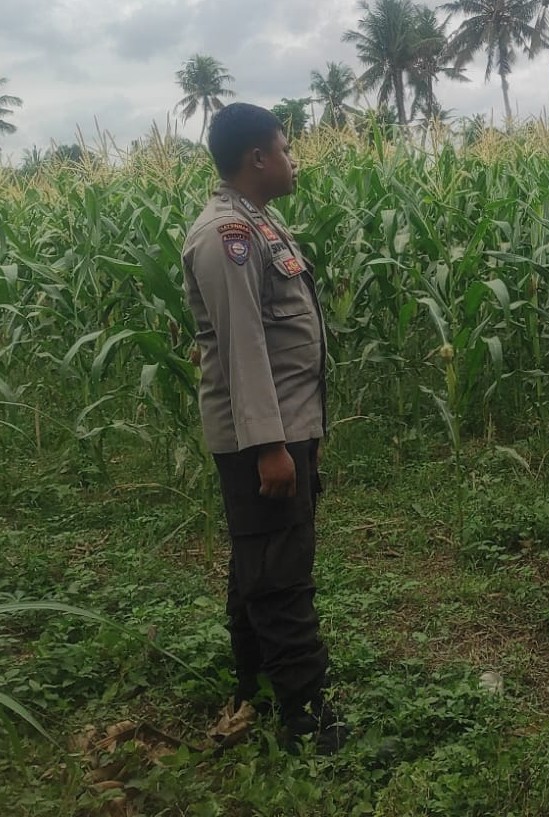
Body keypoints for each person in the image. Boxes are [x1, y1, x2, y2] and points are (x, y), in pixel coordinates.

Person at [182, 102, 347, 752]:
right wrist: (272, 447)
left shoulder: (260, 224)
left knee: (259, 559)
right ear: (257, 158)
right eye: (285, 146)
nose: (294, 157)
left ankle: (249, 681)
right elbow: (244, 347)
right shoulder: (228, 236)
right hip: (264, 440)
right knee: (281, 572)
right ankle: (306, 714)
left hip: (284, 431)